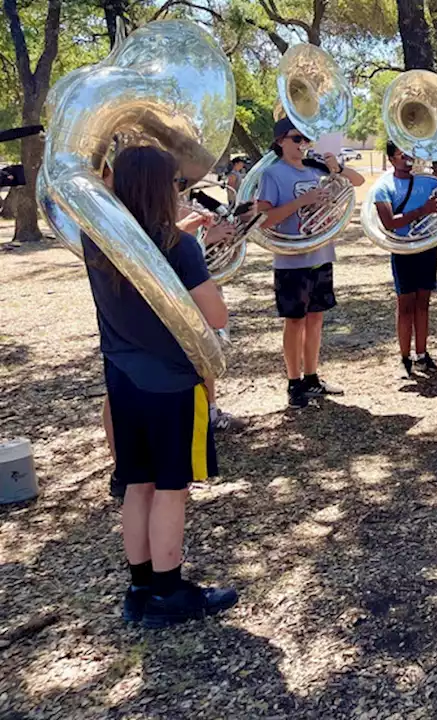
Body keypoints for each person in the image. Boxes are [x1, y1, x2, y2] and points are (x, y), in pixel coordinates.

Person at [82, 145, 238, 627]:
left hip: (122, 380)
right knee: (173, 487)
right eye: (176, 184)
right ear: (159, 188)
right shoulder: (178, 248)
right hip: (172, 384)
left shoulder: (98, 239)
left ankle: (140, 587)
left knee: (137, 483)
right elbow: (216, 315)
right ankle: (170, 591)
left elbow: (144, 258)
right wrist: (196, 252)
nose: (182, 192)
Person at [256, 117, 365, 408]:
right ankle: (294, 384)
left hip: (321, 253)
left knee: (316, 318)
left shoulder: (316, 169)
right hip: (292, 259)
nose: (303, 144)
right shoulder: (272, 174)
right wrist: (301, 203)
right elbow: (263, 219)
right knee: (295, 321)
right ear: (280, 141)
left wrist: (336, 168)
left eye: (306, 139)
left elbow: (358, 181)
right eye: (296, 139)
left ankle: (312, 376)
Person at [372, 141, 437, 377]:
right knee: (405, 306)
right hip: (403, 251)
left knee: (423, 304)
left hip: (427, 249)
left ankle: (423, 355)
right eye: (401, 155)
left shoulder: (429, 180)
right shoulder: (384, 186)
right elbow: (389, 222)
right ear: (391, 159)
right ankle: (405, 359)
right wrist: (422, 211)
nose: (407, 159)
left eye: (409, 154)